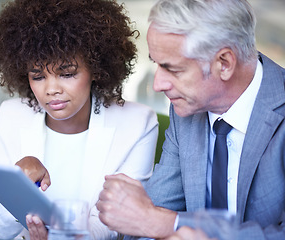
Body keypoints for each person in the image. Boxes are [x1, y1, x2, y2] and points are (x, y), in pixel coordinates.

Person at [96, 0, 285, 239]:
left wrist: (169, 224)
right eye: (156, 64)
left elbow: (155, 220)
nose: (157, 85)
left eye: (172, 69)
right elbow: (148, 219)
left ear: (224, 63)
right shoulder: (185, 110)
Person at [0, 0, 159, 239]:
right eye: (38, 76)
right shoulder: (11, 115)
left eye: (67, 74)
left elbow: (117, 224)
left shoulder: (137, 123)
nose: (51, 89)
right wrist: (15, 186)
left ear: (96, 68)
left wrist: (56, 236)